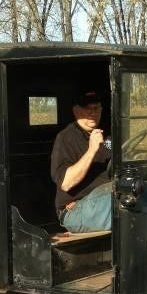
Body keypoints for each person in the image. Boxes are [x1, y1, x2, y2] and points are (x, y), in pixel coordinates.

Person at [50, 90, 113, 233]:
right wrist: (91, 150)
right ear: (76, 111)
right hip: (75, 209)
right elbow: (66, 183)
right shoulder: (66, 138)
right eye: (87, 109)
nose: (92, 113)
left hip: (107, 195)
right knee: (119, 206)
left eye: (96, 108)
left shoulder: (109, 134)